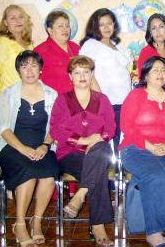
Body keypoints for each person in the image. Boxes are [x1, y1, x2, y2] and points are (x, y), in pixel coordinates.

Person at [120, 56, 165, 247]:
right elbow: (127, 126)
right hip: (135, 149)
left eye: (163, 70)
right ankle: (153, 231)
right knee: (154, 175)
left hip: (164, 148)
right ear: (146, 75)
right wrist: (150, 146)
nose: (160, 73)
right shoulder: (135, 95)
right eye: (155, 70)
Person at [50, 55, 116, 247]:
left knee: (101, 151)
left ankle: (79, 196)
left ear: (92, 74)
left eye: (86, 72)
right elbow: (55, 130)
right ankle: (98, 227)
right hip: (69, 154)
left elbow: (110, 129)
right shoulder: (62, 100)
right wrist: (82, 141)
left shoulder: (102, 100)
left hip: (97, 152)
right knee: (99, 171)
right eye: (77, 72)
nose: (82, 76)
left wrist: (96, 140)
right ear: (70, 76)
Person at [0, 50, 58, 246]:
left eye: (33, 65)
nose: (29, 70)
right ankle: (20, 224)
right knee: (29, 171)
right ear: (18, 71)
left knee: (49, 173)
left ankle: (36, 222)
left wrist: (45, 145)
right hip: (12, 147)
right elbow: (3, 128)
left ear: (40, 69)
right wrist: (23, 149)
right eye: (24, 66)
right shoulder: (9, 93)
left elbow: (56, 127)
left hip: (41, 146)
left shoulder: (51, 94)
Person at [79, 8, 133, 153]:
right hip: (105, 101)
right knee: (106, 137)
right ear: (95, 27)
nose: (106, 27)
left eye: (109, 23)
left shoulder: (118, 47)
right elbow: (86, 74)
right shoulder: (90, 45)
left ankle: (120, 169)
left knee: (121, 137)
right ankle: (107, 170)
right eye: (102, 24)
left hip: (124, 101)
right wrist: (100, 99)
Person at [0, 5, 33, 97]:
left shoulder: (30, 45)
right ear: (6, 23)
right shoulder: (2, 43)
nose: (18, 21)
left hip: (28, 97)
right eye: (13, 18)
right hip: (8, 99)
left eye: (21, 17)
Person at [34, 10, 80, 94]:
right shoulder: (40, 52)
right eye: (60, 26)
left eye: (67, 26)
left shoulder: (76, 48)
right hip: (55, 103)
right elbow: (34, 82)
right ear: (50, 30)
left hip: (80, 99)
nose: (65, 29)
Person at [138, 13, 165, 84]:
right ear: (150, 33)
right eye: (154, 28)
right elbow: (142, 81)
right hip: (156, 93)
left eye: (161, 27)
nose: (158, 31)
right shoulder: (146, 52)